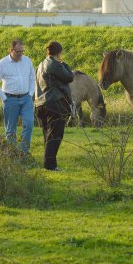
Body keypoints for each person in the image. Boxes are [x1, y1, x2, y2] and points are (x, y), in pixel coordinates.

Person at [35, 41, 74, 171]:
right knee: (55, 135)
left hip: (40, 103)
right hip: (54, 102)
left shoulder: (40, 65)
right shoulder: (55, 64)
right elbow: (69, 77)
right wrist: (64, 64)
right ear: (59, 52)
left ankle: (48, 164)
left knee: (47, 135)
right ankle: (50, 165)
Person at [0, 39, 35, 154]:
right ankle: (13, 153)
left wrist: (30, 94)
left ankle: (23, 152)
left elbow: (32, 78)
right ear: (11, 50)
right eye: (18, 52)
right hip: (10, 99)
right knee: (10, 130)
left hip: (26, 98)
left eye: (22, 52)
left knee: (29, 124)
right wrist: (4, 98)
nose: (21, 54)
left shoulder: (27, 61)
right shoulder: (2, 63)